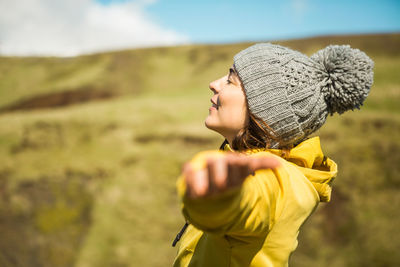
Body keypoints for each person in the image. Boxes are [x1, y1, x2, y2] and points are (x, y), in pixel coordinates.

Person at [172, 43, 374, 266]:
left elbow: (253, 201)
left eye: (230, 80)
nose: (214, 84)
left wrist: (220, 196)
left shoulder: (275, 178)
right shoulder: (269, 169)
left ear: (266, 110)